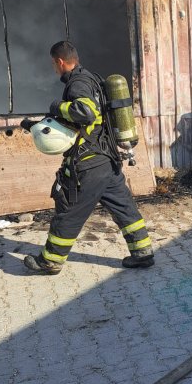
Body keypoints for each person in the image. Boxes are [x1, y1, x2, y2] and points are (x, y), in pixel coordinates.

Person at [21, 41, 154, 274]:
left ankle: (50, 261)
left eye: (54, 64)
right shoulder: (92, 78)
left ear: (59, 62)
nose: (54, 68)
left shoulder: (78, 84)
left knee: (70, 210)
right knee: (124, 208)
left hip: (89, 163)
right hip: (107, 161)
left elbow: (85, 112)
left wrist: (56, 107)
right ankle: (142, 252)